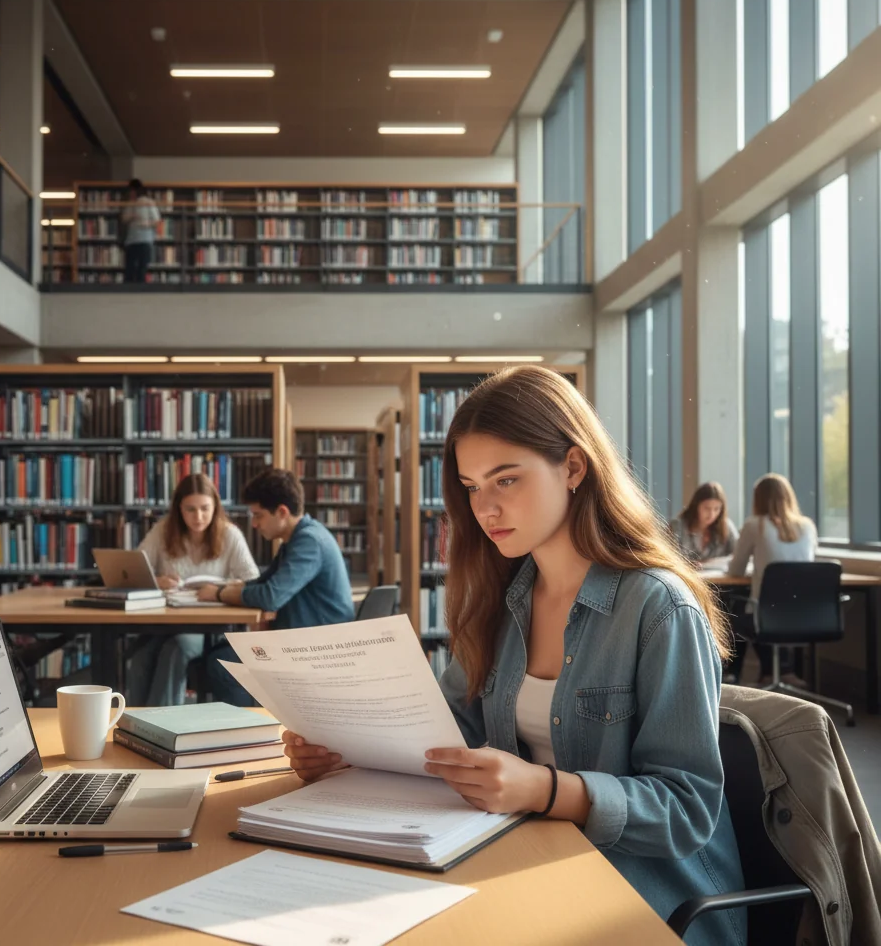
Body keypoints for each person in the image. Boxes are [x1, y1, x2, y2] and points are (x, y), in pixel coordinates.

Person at [282, 366, 745, 946]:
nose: (485, 509)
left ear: (573, 467)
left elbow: (688, 807)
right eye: (473, 487)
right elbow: (451, 731)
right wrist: (347, 750)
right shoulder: (503, 599)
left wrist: (545, 789)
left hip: (648, 901)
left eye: (506, 480)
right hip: (529, 859)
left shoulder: (659, 609)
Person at [198, 468, 354, 705]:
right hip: (304, 643)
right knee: (217, 652)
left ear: (282, 512)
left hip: (316, 652)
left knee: (222, 664)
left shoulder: (309, 542)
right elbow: (263, 583)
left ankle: (253, 730)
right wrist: (233, 588)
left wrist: (220, 593)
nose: (254, 524)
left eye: (258, 515)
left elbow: (270, 596)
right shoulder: (296, 540)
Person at [127, 473, 259, 707]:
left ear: (215, 507)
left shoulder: (229, 534)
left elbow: (253, 581)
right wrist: (157, 581)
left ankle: (160, 725)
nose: (198, 517)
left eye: (205, 508)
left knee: (175, 650)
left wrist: (220, 588)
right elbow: (133, 571)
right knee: (140, 658)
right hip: (163, 624)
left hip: (211, 627)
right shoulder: (163, 530)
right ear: (179, 508)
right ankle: (131, 723)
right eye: (190, 509)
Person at [725, 473, 817, 683]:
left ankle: (732, 677)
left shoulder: (755, 525)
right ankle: (781, 671)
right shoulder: (808, 526)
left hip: (766, 616)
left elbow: (736, 570)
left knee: (733, 609)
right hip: (807, 615)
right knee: (764, 607)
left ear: (758, 499)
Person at [668, 481, 739, 564]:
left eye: (716, 509)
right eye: (707, 508)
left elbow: (739, 554)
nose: (711, 514)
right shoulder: (677, 526)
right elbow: (667, 558)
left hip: (718, 576)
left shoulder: (726, 526)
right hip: (683, 575)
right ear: (696, 506)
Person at [120, 178, 160, 283]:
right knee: (129, 269)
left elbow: (157, 220)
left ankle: (140, 292)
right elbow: (124, 219)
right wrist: (132, 215)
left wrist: (146, 224)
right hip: (131, 240)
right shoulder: (130, 204)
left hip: (144, 239)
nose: (130, 193)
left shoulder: (149, 202)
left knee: (142, 268)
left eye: (132, 191)